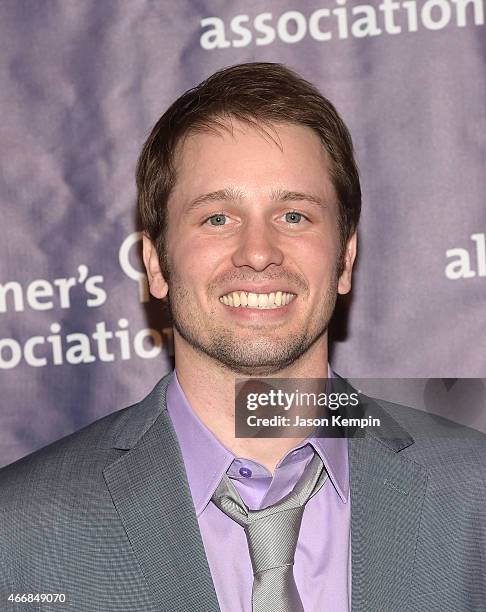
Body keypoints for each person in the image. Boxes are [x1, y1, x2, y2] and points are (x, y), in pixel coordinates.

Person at [0, 63, 484, 612]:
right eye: (217, 219)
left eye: (295, 215)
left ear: (345, 258)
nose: (258, 252)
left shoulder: (474, 494)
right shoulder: (18, 533)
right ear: (155, 264)